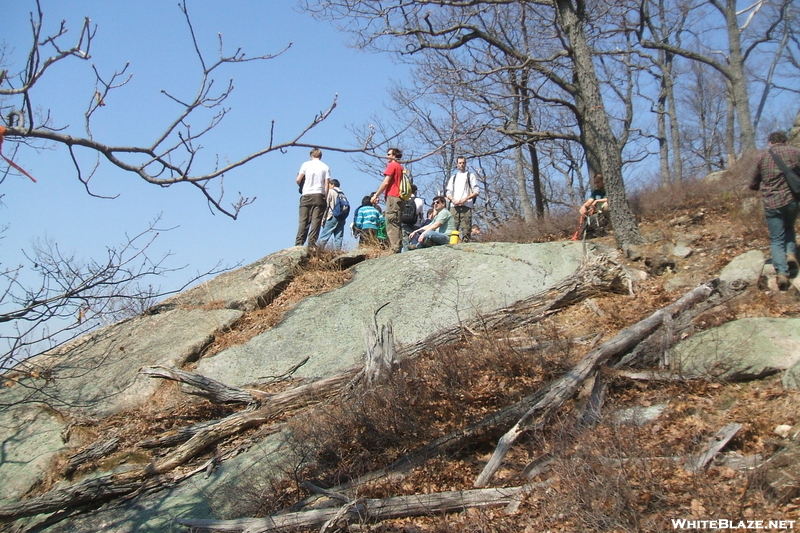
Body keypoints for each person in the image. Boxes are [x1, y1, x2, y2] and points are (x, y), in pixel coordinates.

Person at [748, 131, 800, 290]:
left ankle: (782, 273)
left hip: (772, 203)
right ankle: (790, 254)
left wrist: (759, 185)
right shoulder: (796, 152)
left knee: (776, 238)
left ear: (770, 142)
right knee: (789, 227)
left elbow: (751, 182)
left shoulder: (762, 157)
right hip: (793, 199)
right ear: (785, 141)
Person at [371, 148, 405, 253]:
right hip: (399, 198)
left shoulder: (392, 165)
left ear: (394, 156)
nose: (387, 156)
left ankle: (395, 249)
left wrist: (376, 194)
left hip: (393, 197)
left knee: (391, 223)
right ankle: (398, 247)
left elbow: (386, 182)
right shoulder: (400, 167)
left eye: (389, 154)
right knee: (396, 223)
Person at [295, 148, 330, 247]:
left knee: (303, 221)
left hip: (306, 195)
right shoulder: (325, 167)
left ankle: (299, 243)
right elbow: (327, 183)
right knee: (316, 221)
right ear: (320, 156)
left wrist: (302, 186)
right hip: (319, 195)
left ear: (311, 155)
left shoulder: (305, 165)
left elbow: (298, 179)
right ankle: (311, 243)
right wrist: (325, 196)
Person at [445, 156, 480, 242]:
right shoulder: (453, 177)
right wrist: (453, 200)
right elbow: (448, 192)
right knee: (452, 229)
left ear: (465, 163)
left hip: (466, 206)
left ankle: (465, 246)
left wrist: (466, 198)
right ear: (457, 164)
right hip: (454, 206)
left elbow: (476, 191)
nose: (462, 165)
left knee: (466, 229)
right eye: (460, 163)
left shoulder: (470, 176)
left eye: (463, 163)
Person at [318, 179, 348, 250]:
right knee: (339, 237)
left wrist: (323, 218)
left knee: (325, 235)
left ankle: (318, 251)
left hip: (332, 216)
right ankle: (338, 253)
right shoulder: (342, 193)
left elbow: (327, 205)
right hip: (341, 217)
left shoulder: (331, 191)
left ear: (332, 185)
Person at [401, 184, 425, 251]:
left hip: (404, 224)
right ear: (415, 191)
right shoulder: (419, 201)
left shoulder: (403, 199)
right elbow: (421, 215)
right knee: (414, 244)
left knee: (405, 243)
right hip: (415, 225)